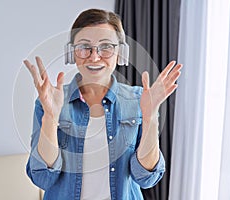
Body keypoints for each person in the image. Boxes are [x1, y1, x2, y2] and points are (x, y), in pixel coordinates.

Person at [24, 8, 182, 200]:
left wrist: (150, 117)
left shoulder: (139, 100)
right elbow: (43, 178)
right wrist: (50, 116)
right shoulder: (49, 101)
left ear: (120, 53)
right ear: (72, 53)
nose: (94, 57)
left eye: (106, 46)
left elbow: (146, 177)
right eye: (84, 47)